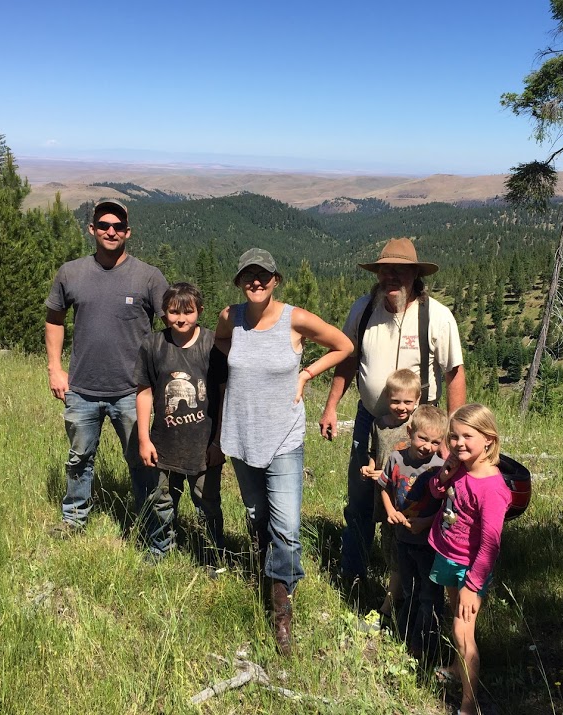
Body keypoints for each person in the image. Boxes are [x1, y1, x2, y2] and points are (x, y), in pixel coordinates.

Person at [216, 248, 353, 655]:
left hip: (284, 438)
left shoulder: (296, 318)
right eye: (248, 276)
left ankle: (282, 616)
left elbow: (343, 345)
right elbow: (221, 341)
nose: (256, 282)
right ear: (240, 281)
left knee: (288, 528)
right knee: (258, 517)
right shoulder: (231, 318)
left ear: (276, 280)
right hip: (241, 435)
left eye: (263, 275)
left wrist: (308, 372)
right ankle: (268, 578)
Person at [318, 237, 466, 584]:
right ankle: (354, 574)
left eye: (400, 271)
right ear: (378, 273)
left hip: (420, 428)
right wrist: (330, 406)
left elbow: (454, 374)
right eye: (386, 270)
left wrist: (451, 437)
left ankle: (412, 581)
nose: (392, 277)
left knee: (419, 499)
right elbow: (349, 360)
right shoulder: (364, 309)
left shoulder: (437, 317)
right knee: (361, 497)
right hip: (370, 421)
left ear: (415, 275)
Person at [46, 199, 168, 537]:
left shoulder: (148, 277)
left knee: (143, 463)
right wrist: (55, 369)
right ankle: (74, 521)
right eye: (103, 225)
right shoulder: (71, 273)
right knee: (79, 460)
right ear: (92, 229)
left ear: (128, 232)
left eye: (117, 226)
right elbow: (54, 318)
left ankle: (150, 528)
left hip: (133, 391)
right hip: (82, 388)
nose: (110, 231)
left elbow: (175, 326)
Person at [134, 282, 228, 561]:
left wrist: (218, 442)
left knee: (208, 503)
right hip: (163, 443)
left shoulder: (213, 345)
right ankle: (160, 547)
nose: (181, 318)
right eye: (174, 311)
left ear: (200, 311)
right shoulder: (153, 345)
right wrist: (143, 438)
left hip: (204, 445)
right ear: (165, 313)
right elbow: (144, 391)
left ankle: (213, 555)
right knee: (161, 500)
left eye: (188, 311)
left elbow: (224, 394)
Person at [428, 404, 511, 715]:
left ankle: (468, 705)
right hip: (449, 554)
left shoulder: (492, 488)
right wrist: (446, 470)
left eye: (467, 436)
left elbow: (491, 543)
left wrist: (473, 585)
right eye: (454, 436)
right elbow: (438, 492)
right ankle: (454, 666)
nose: (459, 443)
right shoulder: (461, 466)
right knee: (454, 615)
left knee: (464, 634)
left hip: (471, 568)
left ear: (488, 439)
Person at [377, 405, 446, 660]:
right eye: (423, 438)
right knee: (409, 590)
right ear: (410, 432)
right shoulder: (396, 459)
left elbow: (446, 506)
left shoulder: (440, 467)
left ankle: (424, 645)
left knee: (429, 594)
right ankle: (403, 635)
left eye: (435, 442)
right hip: (403, 539)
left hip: (429, 543)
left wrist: (427, 522)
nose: (428, 446)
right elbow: (383, 486)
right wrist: (389, 511)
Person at [361, 368, 421, 624]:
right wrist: (370, 467)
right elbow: (374, 452)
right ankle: (403, 597)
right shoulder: (379, 424)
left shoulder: (416, 427)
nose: (401, 407)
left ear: (417, 401)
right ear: (387, 398)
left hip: (407, 498)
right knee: (388, 544)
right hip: (383, 495)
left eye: (408, 402)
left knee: (400, 550)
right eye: (396, 401)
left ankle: (389, 607)